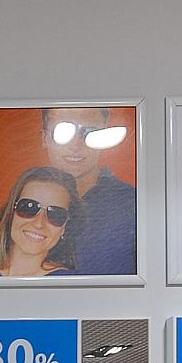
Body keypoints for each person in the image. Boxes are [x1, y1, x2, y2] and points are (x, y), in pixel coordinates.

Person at [38, 106, 136, 276]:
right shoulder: (25, 203)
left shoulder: (133, 203)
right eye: (63, 132)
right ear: (45, 138)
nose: (76, 146)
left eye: (89, 133)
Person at [0, 165, 82, 277]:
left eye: (55, 214)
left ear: (64, 228)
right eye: (28, 207)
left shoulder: (67, 283)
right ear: (11, 212)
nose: (39, 224)